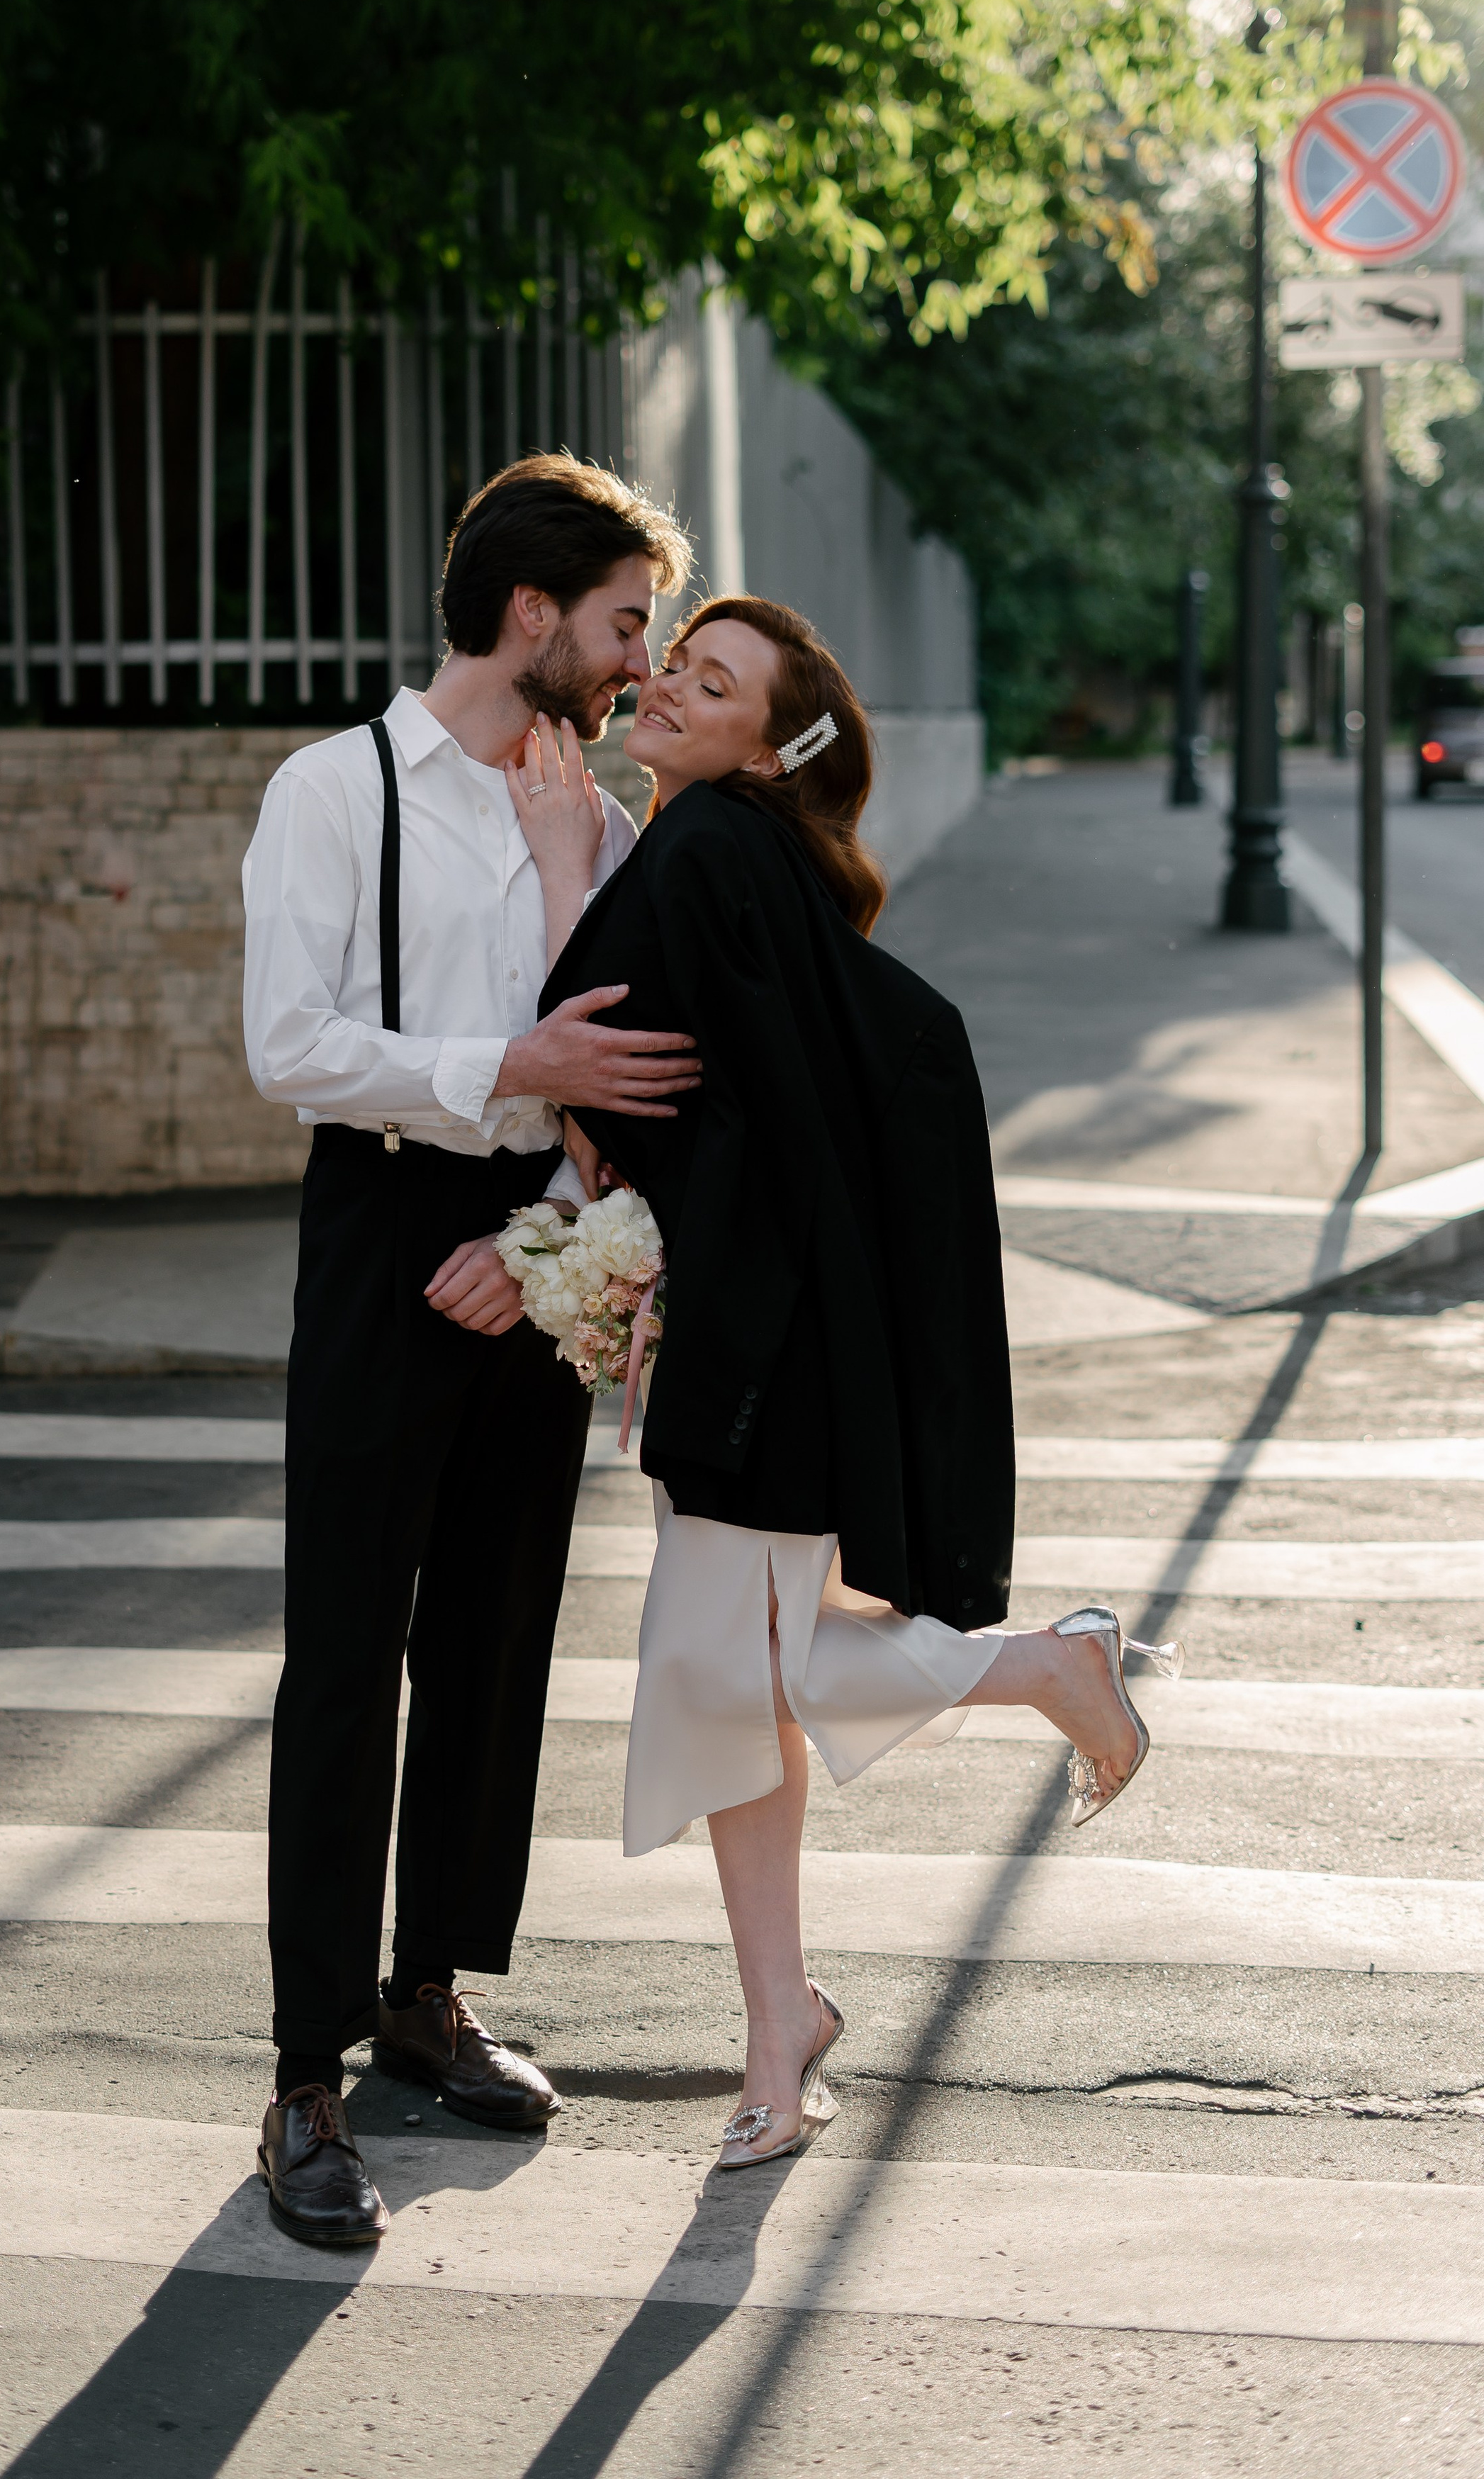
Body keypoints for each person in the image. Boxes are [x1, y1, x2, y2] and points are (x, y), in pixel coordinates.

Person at [518, 594, 1180, 2170]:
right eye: (673, 665)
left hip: (764, 1355)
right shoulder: (742, 857)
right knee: (732, 1683)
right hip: (776, 1339)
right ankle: (778, 2025)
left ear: (767, 740)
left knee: (720, 1682)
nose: (671, 689)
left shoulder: (703, 851)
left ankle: (1043, 1670)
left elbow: (597, 1061)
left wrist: (560, 873)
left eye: (714, 682)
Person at [242, 455, 694, 2247]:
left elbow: (640, 1066)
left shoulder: (601, 816)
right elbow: (293, 1042)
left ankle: (427, 1992)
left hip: (534, 1250)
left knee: (496, 1641)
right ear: (532, 615)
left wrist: (536, 1242)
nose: (632, 659)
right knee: (346, 1660)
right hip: (374, 1236)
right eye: (620, 621)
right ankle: (300, 2070)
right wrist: (501, 1068)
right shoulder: (333, 790)